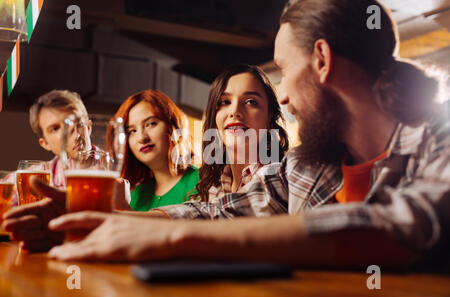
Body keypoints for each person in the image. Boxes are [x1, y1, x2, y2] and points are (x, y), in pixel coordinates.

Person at [3, 0, 449, 270]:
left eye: (284, 71)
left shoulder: (440, 133)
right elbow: (217, 214)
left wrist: (172, 241)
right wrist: (94, 220)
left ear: (322, 60)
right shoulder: (308, 163)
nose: (286, 99)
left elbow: (407, 226)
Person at [196, 64, 289, 201]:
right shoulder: (214, 186)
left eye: (251, 102)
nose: (234, 111)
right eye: (225, 102)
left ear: (270, 117)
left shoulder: (280, 179)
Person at [1, 90, 89, 207]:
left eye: (75, 121)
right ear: (45, 143)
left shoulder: (117, 171)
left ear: (88, 127)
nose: (70, 130)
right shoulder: (35, 176)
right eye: (55, 128)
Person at [114, 90, 199, 211]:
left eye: (151, 124)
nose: (142, 137)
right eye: (132, 131)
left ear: (173, 126)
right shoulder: (134, 196)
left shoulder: (203, 183)